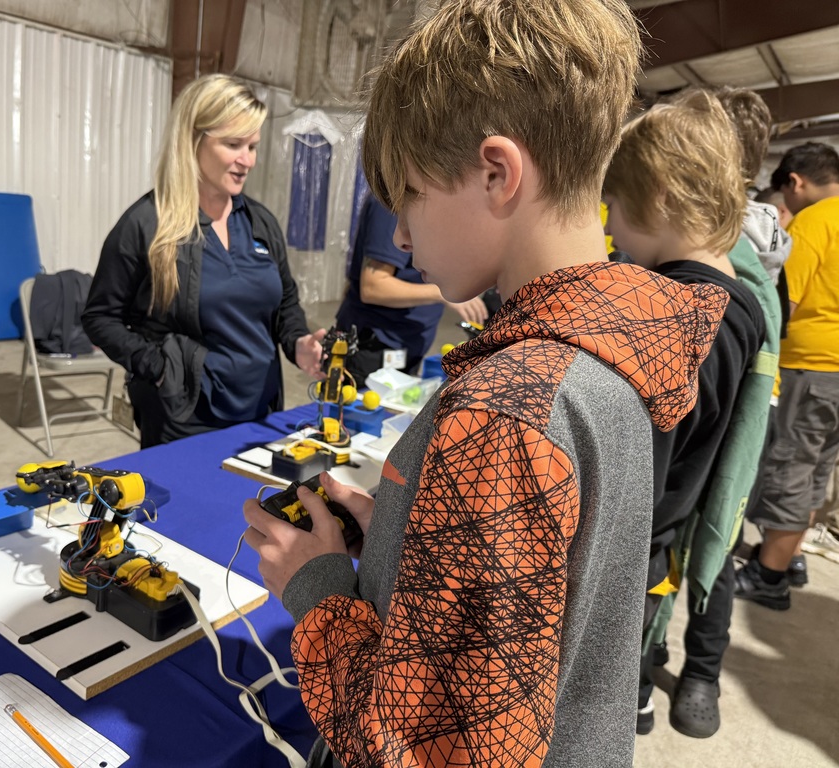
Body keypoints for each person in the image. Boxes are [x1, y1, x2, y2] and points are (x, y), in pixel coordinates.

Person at [242, 2, 729, 765]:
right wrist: (403, 537)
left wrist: (319, 591)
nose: (400, 234)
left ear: (498, 173)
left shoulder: (507, 410)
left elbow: (417, 750)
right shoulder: (608, 363)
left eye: (409, 195)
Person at [613, 87, 780, 739]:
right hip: (674, 520)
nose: (613, 229)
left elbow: (640, 459)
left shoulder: (679, 315)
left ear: (658, 198)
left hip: (641, 536)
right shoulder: (738, 305)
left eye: (613, 208)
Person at [82, 74, 324, 447]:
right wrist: (160, 368)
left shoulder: (260, 222)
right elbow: (100, 317)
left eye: (253, 146)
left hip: (262, 412)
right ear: (193, 140)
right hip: (184, 419)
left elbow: (285, 303)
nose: (248, 161)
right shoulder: (147, 224)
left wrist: (298, 343)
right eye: (233, 145)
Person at [737, 142, 839, 607]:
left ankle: (768, 576)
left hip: (809, 366)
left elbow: (784, 305)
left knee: (791, 469)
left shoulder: (817, 220)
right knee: (817, 471)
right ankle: (790, 558)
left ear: (795, 182)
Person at [334, 194, 488, 387]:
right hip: (374, 349)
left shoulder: (430, 201)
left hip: (406, 346)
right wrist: (442, 293)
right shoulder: (392, 202)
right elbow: (373, 286)